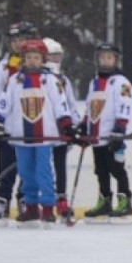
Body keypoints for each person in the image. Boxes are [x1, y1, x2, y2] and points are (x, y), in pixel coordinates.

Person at [0, 39, 77, 226]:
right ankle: (31, 207)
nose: (32, 61)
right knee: (25, 172)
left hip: (44, 137)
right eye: (28, 57)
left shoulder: (51, 81)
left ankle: (47, 207)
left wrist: (66, 125)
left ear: (43, 59)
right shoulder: (15, 80)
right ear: (23, 58)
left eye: (36, 57)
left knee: (43, 172)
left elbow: (61, 105)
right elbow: (4, 104)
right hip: (21, 136)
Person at [0, 21, 37, 222]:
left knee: (27, 166)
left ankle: (24, 199)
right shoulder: (5, 65)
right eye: (13, 39)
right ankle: (2, 200)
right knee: (6, 164)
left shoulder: (39, 65)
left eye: (21, 38)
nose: (17, 43)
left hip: (31, 122)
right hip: (8, 125)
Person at [81, 42, 132, 222]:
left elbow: (124, 106)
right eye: (102, 57)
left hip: (113, 137)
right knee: (101, 171)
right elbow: (90, 107)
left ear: (116, 60)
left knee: (117, 169)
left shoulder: (121, 82)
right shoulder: (94, 82)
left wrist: (119, 130)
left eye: (109, 57)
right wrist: (83, 126)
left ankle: (125, 202)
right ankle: (104, 201)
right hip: (97, 137)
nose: (105, 61)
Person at [44, 38, 83, 220]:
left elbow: (70, 104)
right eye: (52, 56)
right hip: (43, 132)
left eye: (58, 56)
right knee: (42, 168)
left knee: (60, 166)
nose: (56, 59)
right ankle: (39, 200)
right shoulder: (40, 79)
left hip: (61, 132)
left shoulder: (63, 80)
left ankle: (61, 200)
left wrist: (75, 126)